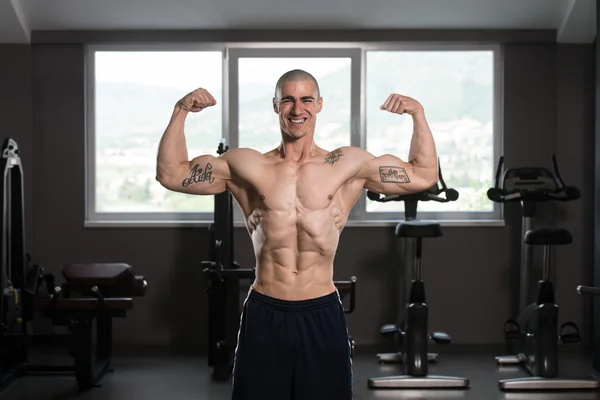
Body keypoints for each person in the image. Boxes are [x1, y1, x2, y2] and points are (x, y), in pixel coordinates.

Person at [156, 69, 438, 400]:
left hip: (321, 312)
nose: (297, 109)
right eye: (287, 100)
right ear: (275, 105)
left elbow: (423, 175)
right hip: (265, 311)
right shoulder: (247, 166)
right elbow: (171, 174)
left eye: (306, 99)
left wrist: (418, 114)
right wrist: (181, 111)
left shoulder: (347, 164)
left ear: (319, 104)